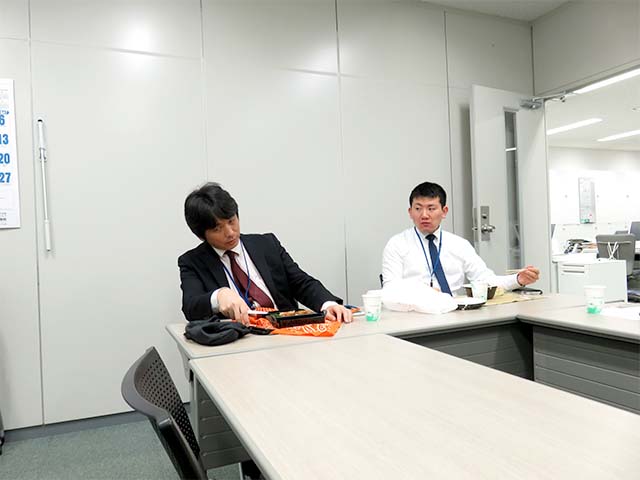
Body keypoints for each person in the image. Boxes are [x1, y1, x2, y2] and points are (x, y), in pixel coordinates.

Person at [179, 182, 352, 325]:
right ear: (201, 235)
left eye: (232, 221)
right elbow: (190, 307)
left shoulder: (267, 244)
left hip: (285, 332)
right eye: (217, 228)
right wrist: (218, 296)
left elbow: (301, 282)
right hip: (240, 339)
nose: (230, 232)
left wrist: (327, 304)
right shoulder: (192, 262)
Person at [382, 181, 540, 294]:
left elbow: (484, 280)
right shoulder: (397, 244)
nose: (424, 215)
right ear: (410, 212)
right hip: (414, 313)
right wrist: (424, 293)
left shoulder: (459, 245)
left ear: (444, 211)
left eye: (431, 208)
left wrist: (518, 279)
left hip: (453, 312)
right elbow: (390, 288)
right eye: (418, 208)